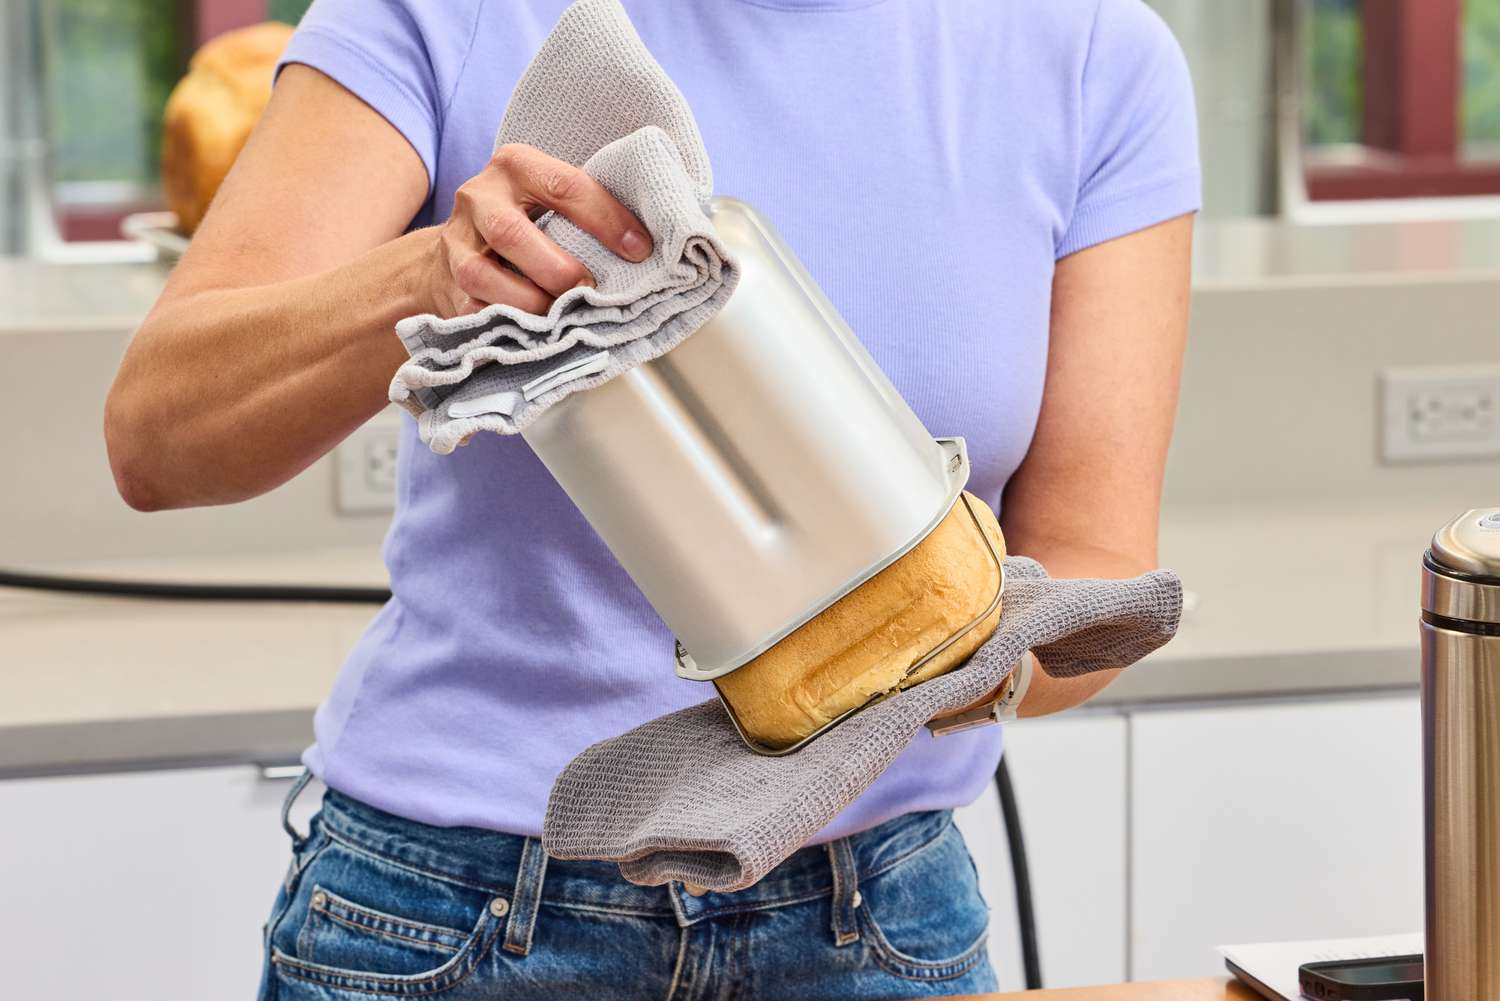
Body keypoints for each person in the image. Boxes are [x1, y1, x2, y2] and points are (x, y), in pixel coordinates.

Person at [104, 0, 1199, 997]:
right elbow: (159, 437)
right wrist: (435, 278)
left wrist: (901, 674)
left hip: (877, 919)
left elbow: (1088, 574)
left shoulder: (1091, 53)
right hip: (446, 917)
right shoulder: (453, 15)